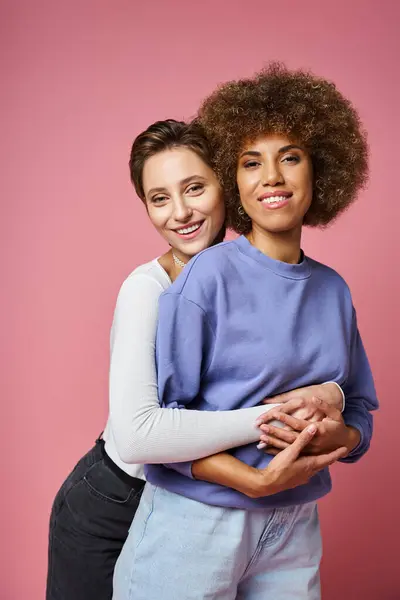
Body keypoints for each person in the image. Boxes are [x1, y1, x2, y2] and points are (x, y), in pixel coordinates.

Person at [46, 118, 343, 600]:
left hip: (198, 504)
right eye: (159, 199)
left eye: (195, 188)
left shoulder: (247, 276)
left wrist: (332, 392)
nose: (180, 212)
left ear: (224, 184)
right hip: (115, 499)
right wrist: (275, 420)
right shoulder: (146, 290)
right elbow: (139, 434)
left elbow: (307, 368)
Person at [113, 64, 378, 600]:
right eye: (251, 162)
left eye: (291, 157)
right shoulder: (203, 278)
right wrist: (254, 470)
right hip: (197, 521)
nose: (272, 177)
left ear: (320, 171)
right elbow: (165, 430)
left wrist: (340, 437)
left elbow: (358, 412)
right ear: (234, 180)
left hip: (295, 522)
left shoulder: (334, 290)